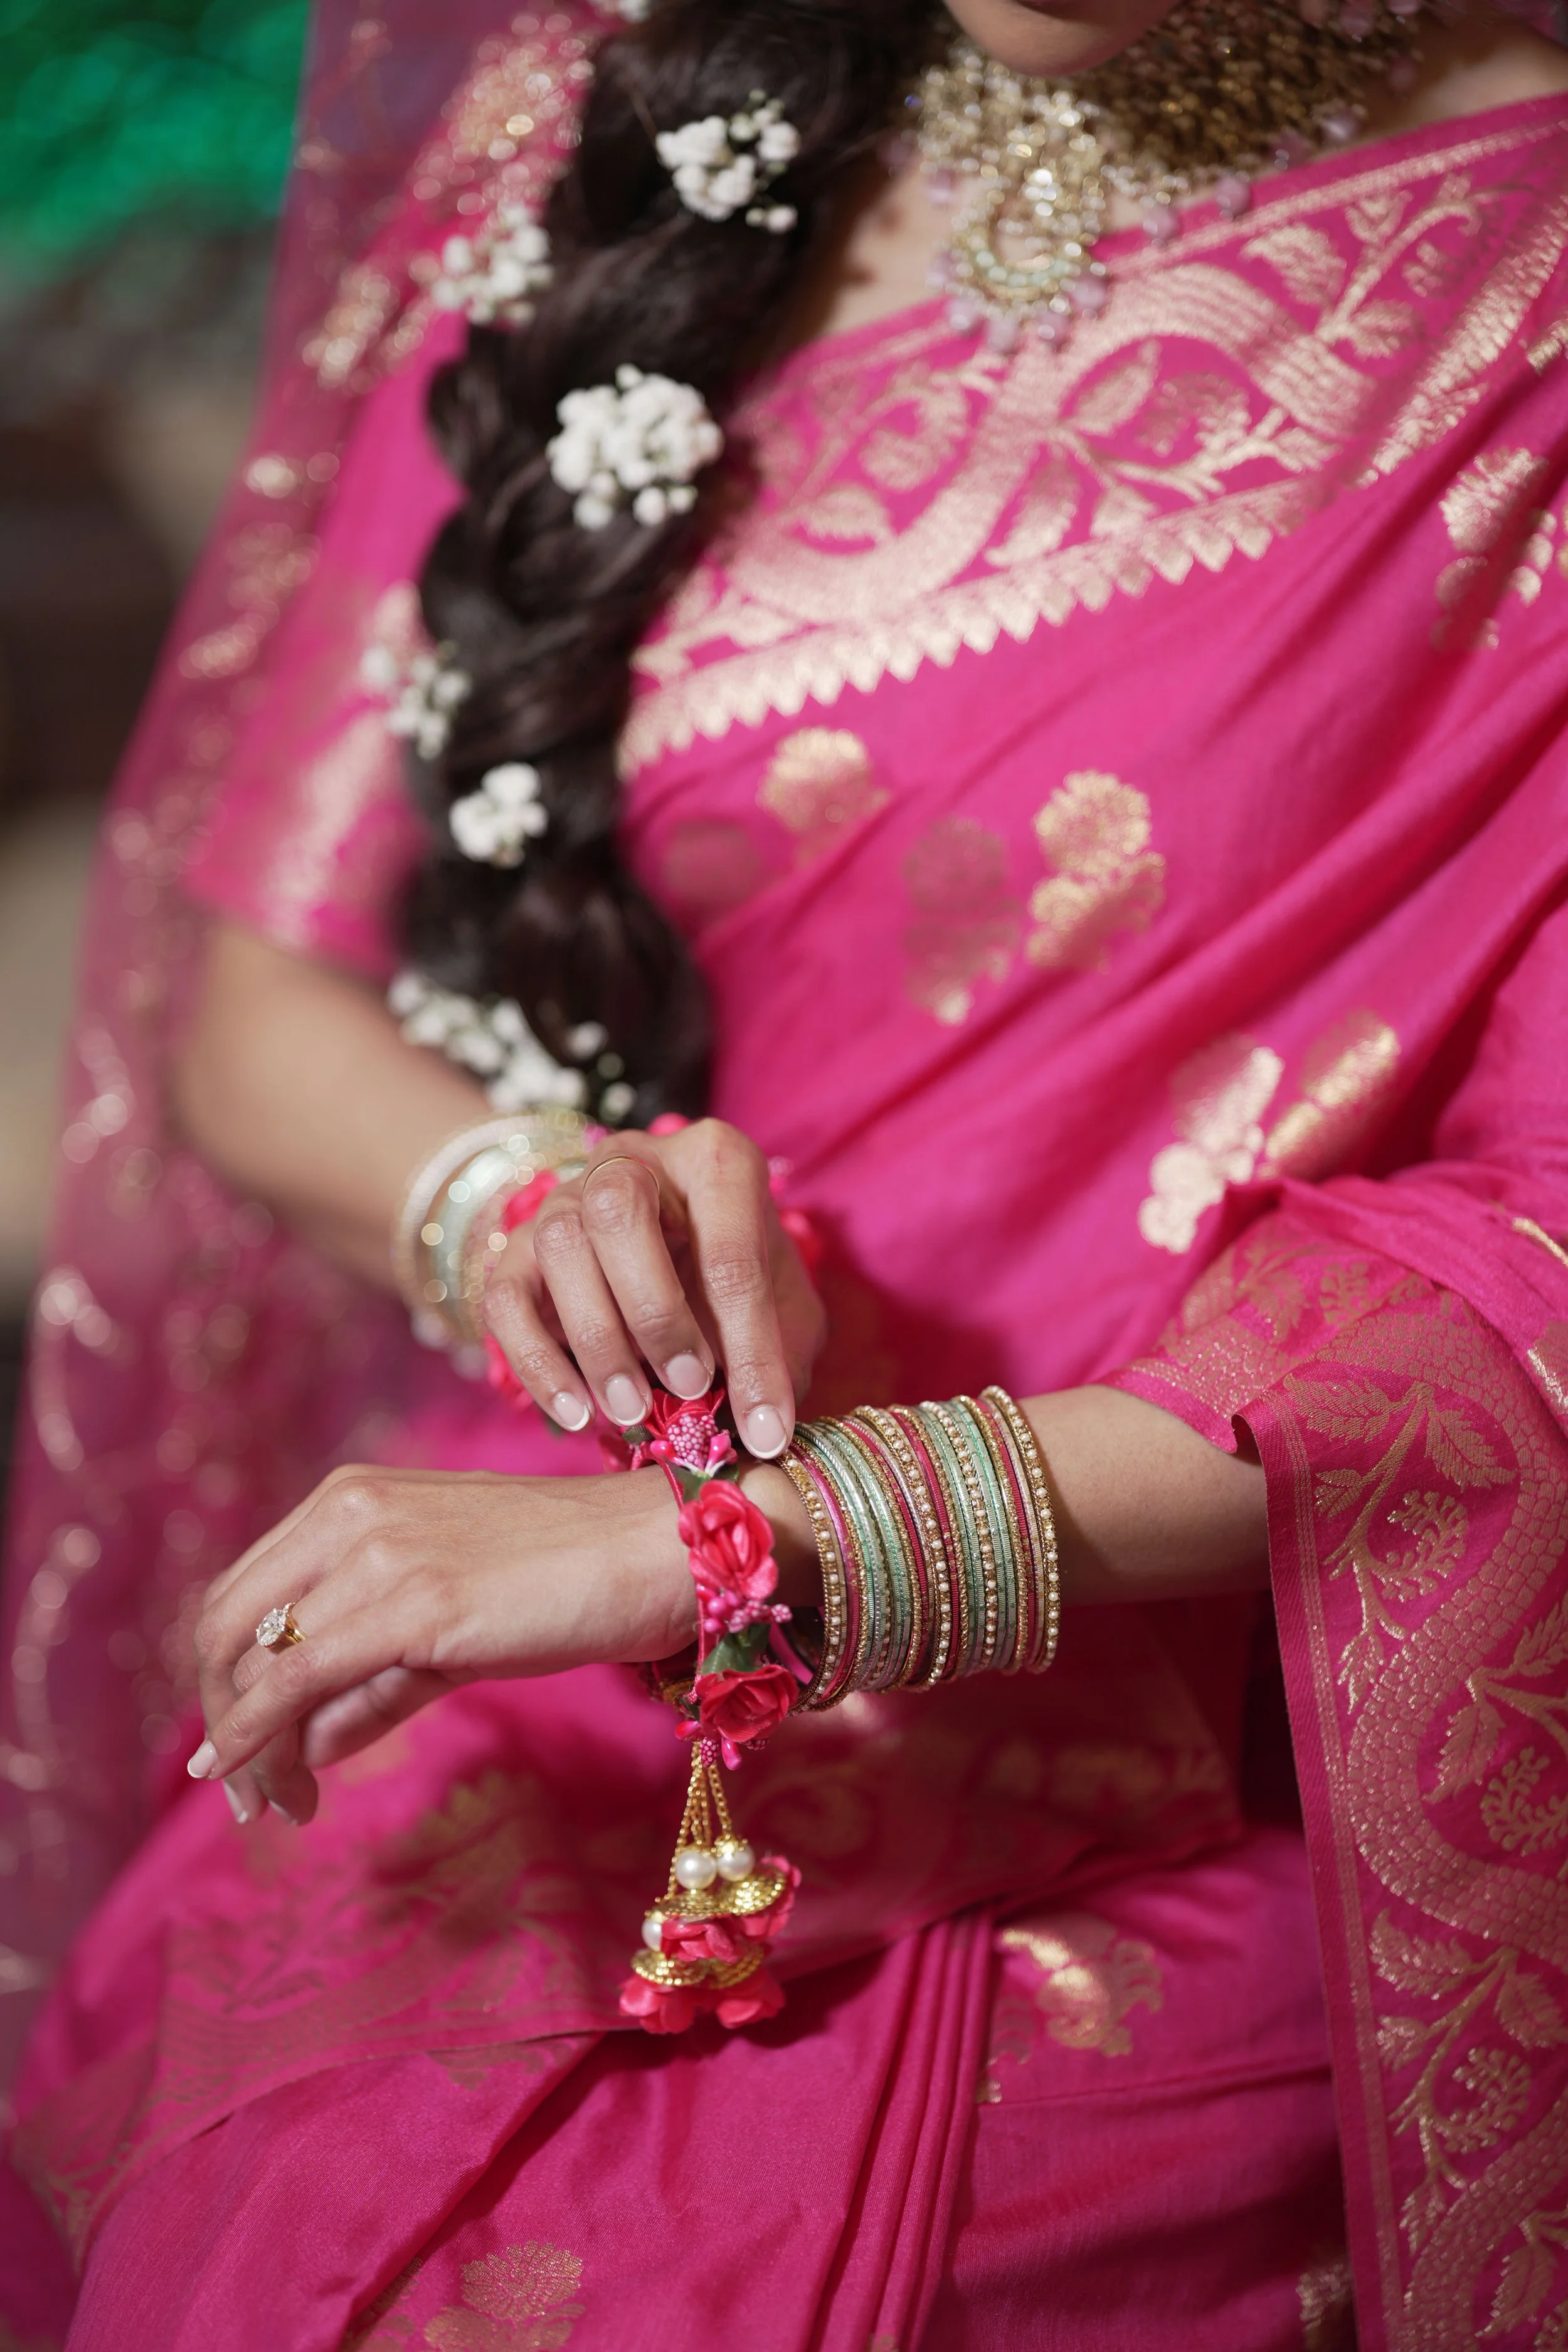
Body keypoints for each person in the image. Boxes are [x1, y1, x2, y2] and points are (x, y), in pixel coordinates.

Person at [3, 0, 1567, 2340]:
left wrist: (738, 1544)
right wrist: (527, 1200)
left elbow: (1527, 1260)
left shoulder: (1523, 283)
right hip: (528, 1602)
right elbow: (256, 1008)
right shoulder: (624, 112)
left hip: (1220, 1697)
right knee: (258, 2221)